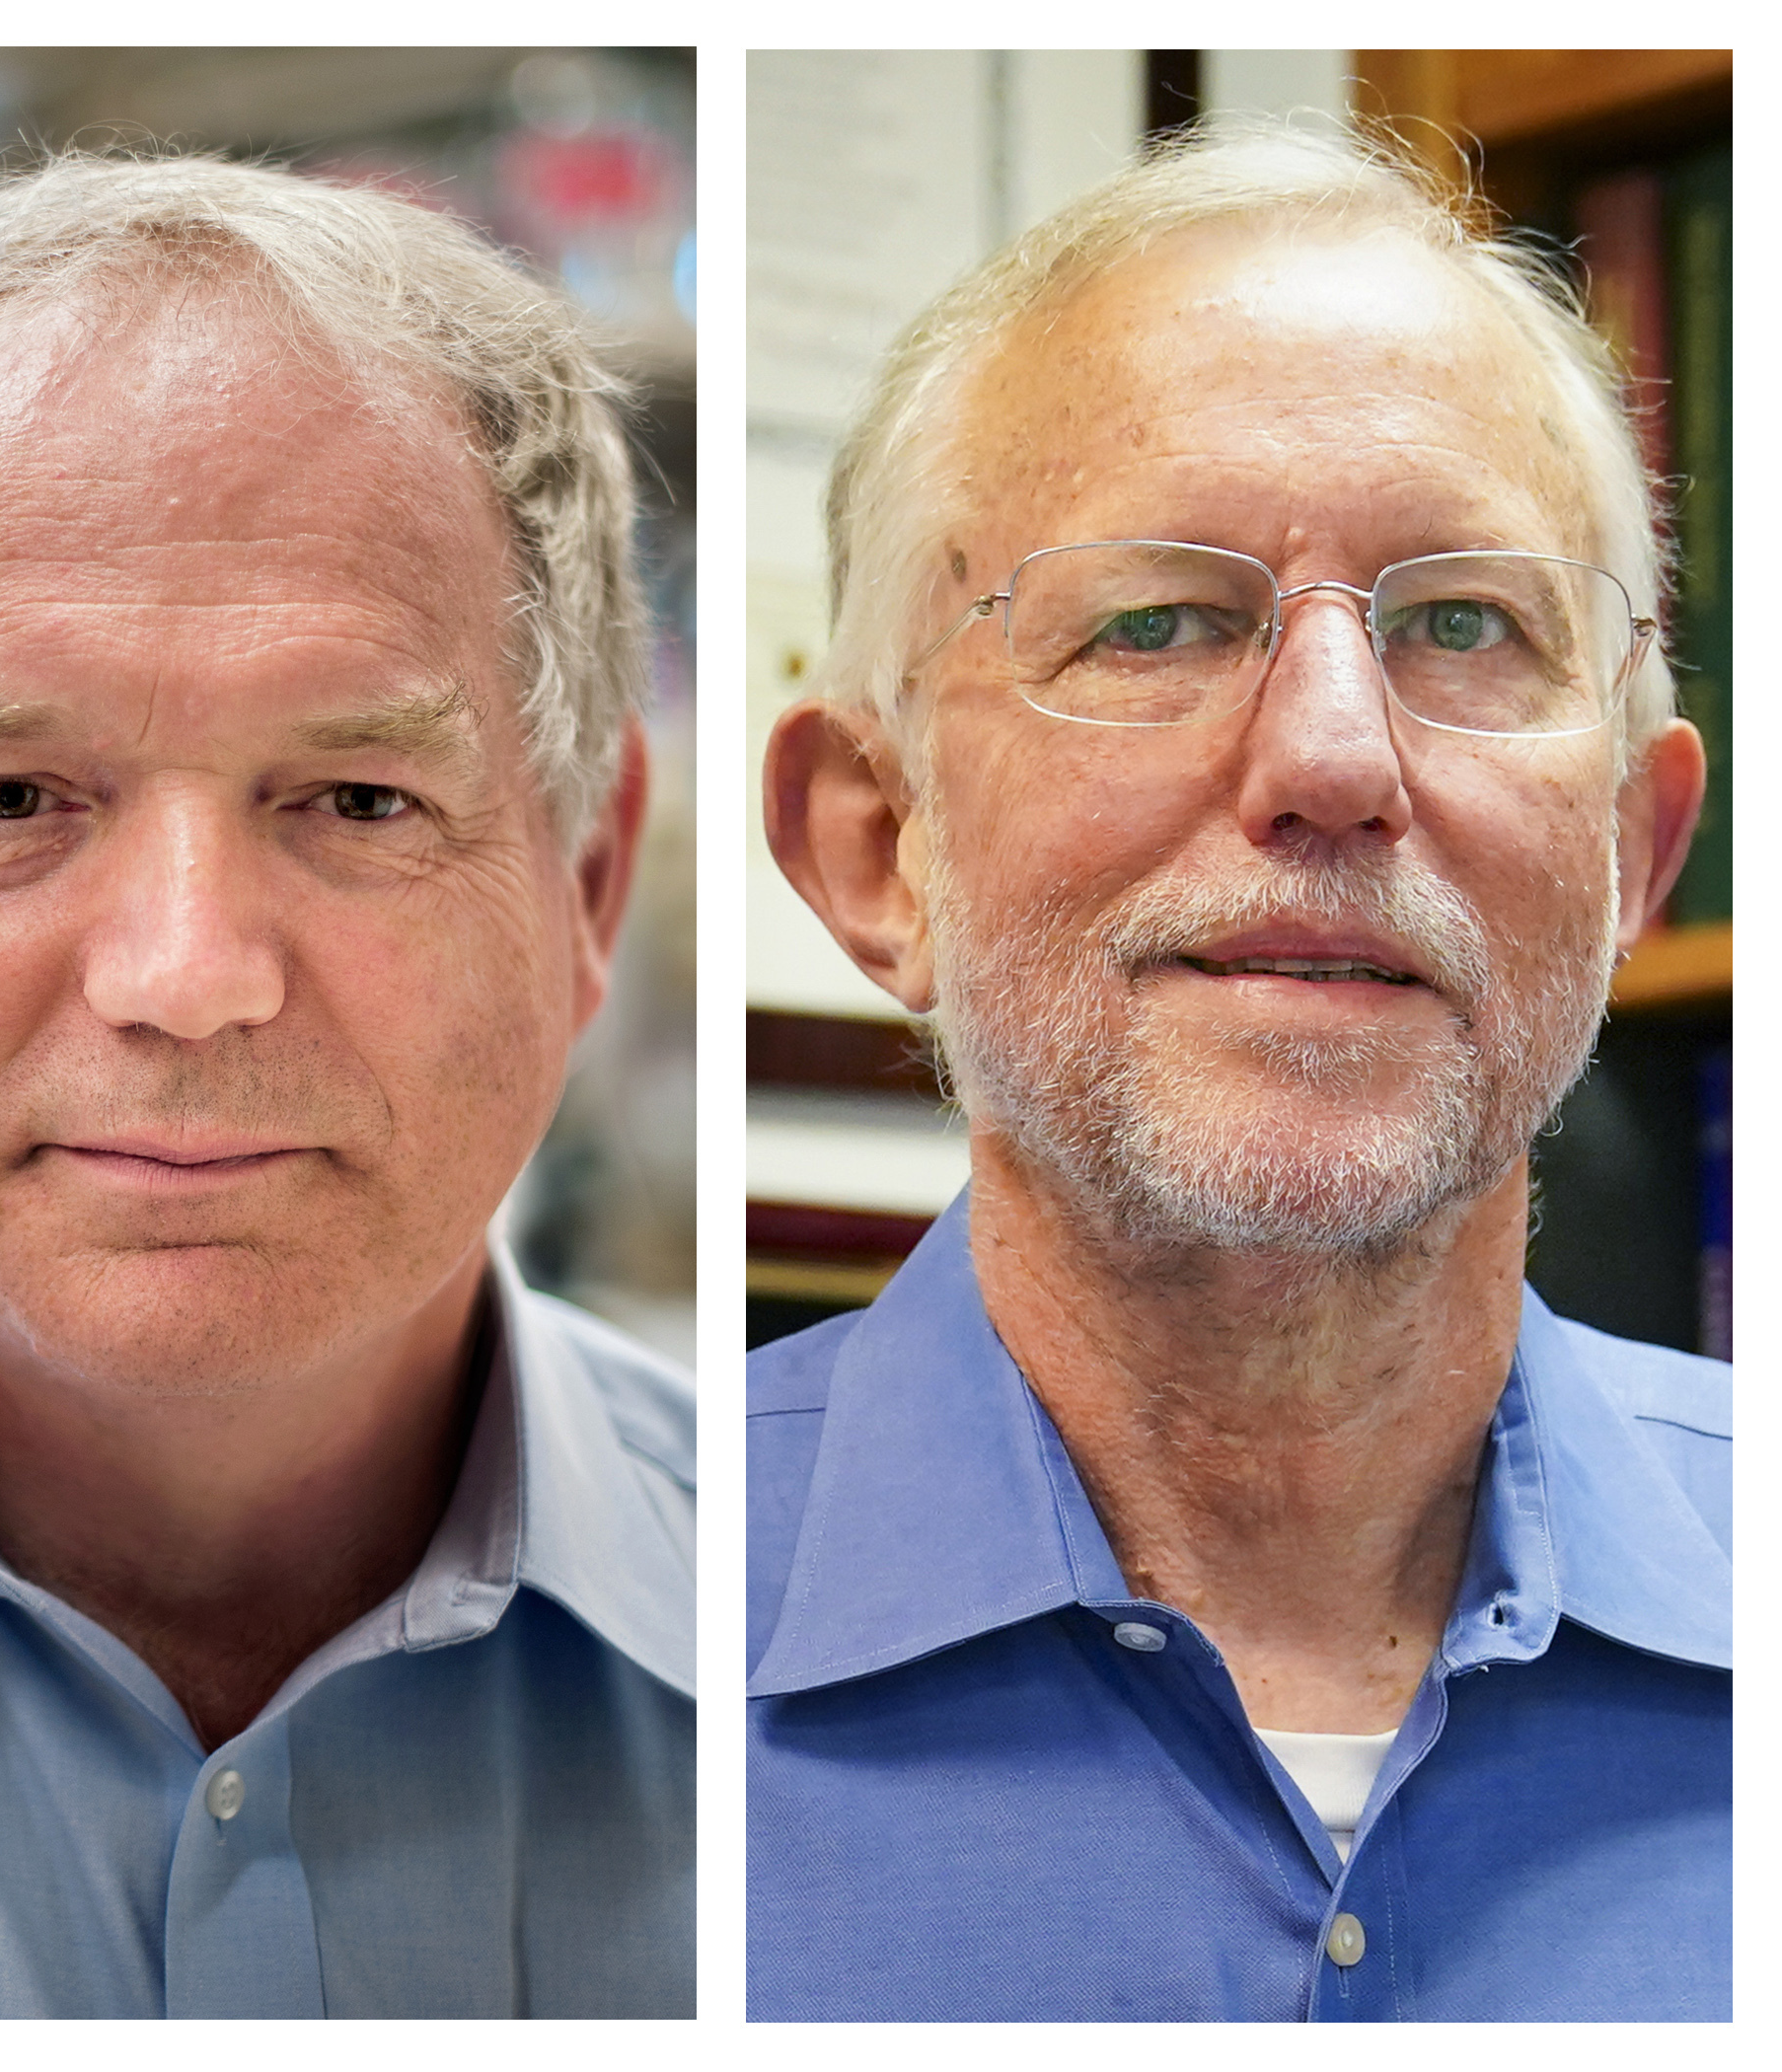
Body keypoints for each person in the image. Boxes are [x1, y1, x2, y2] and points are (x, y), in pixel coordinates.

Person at [751, 120, 1726, 2021]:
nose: (1338, 759)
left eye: (1465, 623)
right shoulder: (617, 1672)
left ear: (1636, 855)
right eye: (1161, 622)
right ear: (880, 846)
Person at [0, 153, 691, 2019]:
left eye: (357, 801)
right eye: (9, 798)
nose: (181, 977)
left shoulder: (802, 1662)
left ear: (585, 888)